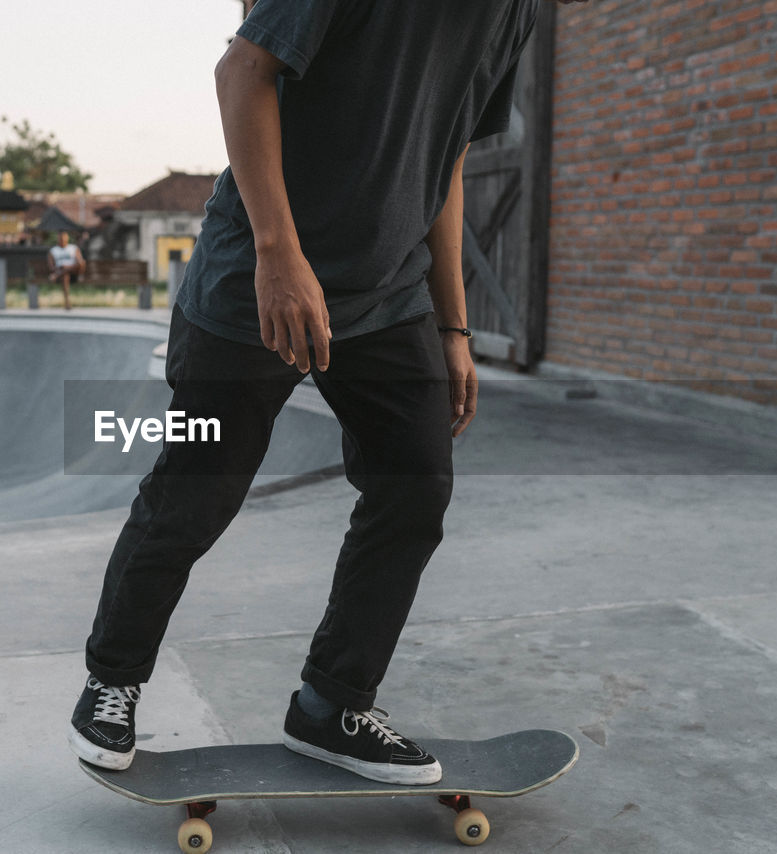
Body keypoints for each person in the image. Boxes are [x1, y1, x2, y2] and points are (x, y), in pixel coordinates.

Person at [70, 0, 569, 785]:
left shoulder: (517, 10)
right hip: (252, 282)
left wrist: (453, 327)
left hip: (388, 296)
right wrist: (277, 254)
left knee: (415, 487)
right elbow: (242, 69)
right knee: (195, 494)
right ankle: (113, 679)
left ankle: (333, 702)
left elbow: (447, 156)